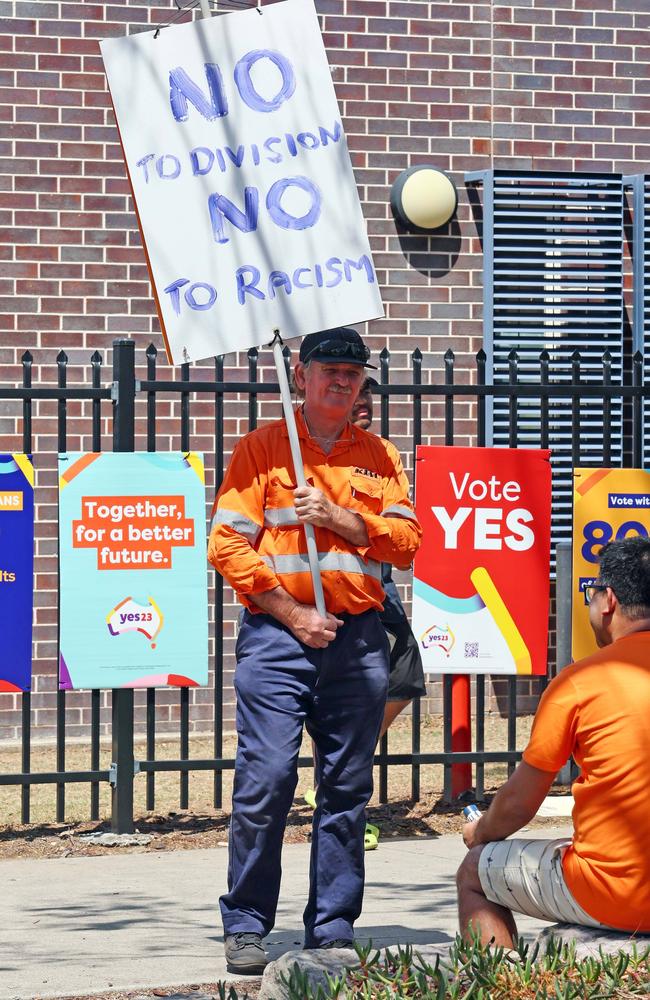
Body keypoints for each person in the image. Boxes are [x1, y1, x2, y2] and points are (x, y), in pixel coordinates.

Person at [208, 326, 422, 974]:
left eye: (352, 374)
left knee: (347, 788)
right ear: (300, 374)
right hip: (278, 638)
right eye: (329, 369)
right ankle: (246, 924)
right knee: (266, 780)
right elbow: (226, 544)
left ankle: (331, 927)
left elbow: (406, 544)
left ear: (362, 383)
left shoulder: (378, 457)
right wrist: (292, 611)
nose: (341, 381)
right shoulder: (264, 451)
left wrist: (337, 517)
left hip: (356, 640)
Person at [456, 536, 650, 945]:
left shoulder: (580, 681)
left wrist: (481, 832)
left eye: (590, 593)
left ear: (608, 600)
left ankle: (502, 987)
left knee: (475, 872)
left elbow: (519, 804)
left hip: (618, 894)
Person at [303, 377, 427, 851]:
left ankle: (339, 756)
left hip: (378, 586)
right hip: (330, 592)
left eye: (368, 398)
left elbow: (403, 536)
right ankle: (332, 779)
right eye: (357, 398)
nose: (364, 406)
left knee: (407, 673)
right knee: (343, 693)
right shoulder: (311, 454)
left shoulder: (381, 455)